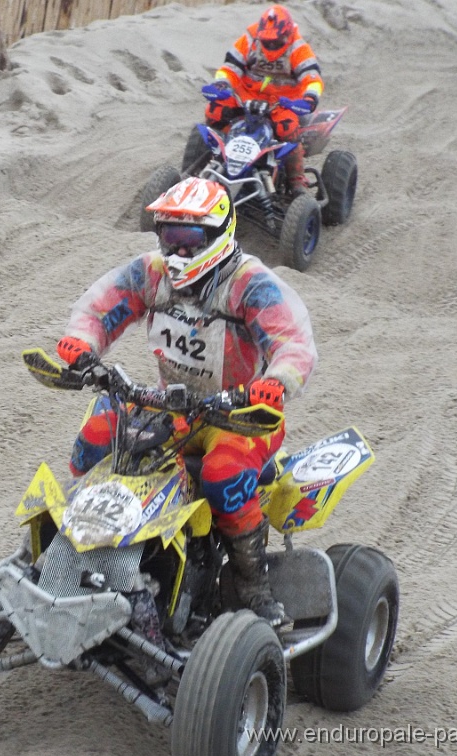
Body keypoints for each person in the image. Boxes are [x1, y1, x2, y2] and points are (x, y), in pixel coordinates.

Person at [55, 177, 317, 624]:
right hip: (171, 405)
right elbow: (100, 308)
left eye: (188, 240)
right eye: (168, 238)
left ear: (218, 236)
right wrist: (81, 344)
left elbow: (292, 343)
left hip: (243, 414)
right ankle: (72, 554)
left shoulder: (251, 284)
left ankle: (252, 585)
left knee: (223, 476)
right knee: (97, 438)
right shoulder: (152, 273)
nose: (175, 251)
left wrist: (276, 382)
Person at [205, 4, 324, 196]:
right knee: (215, 110)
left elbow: (312, 78)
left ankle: (296, 180)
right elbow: (229, 68)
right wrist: (222, 84)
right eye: (266, 41)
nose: (270, 45)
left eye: (275, 41)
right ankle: (217, 155)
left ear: (286, 34)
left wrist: (310, 97)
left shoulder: (298, 48)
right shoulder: (249, 40)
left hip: (281, 104)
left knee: (288, 127)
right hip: (245, 97)